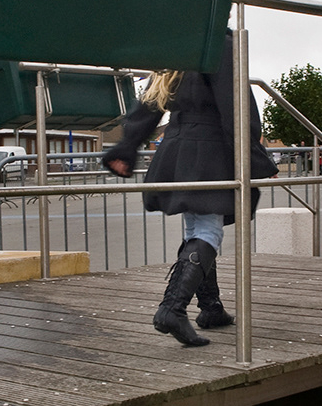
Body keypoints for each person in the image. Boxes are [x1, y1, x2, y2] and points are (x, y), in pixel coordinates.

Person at [102, 32, 278, 346]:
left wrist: (127, 145)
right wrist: (254, 156)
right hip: (208, 149)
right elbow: (235, 105)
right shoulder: (220, 45)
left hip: (177, 148)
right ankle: (172, 308)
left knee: (195, 229)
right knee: (209, 230)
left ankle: (211, 307)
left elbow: (150, 106)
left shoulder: (177, 48)